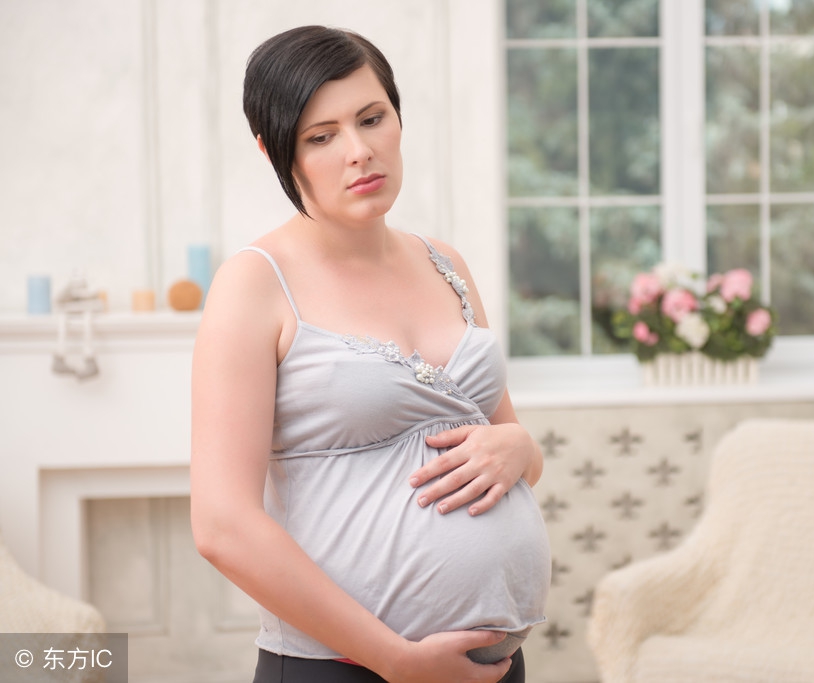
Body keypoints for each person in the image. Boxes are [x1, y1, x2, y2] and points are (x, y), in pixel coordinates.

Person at [190, 25, 551, 683]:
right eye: (321, 136)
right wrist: (393, 659)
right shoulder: (254, 283)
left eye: (371, 118)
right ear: (275, 150)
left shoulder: (445, 263)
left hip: (493, 667)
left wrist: (522, 447)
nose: (359, 151)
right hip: (345, 669)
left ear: (397, 117)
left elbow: (513, 449)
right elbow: (222, 525)